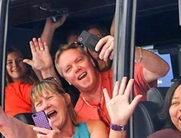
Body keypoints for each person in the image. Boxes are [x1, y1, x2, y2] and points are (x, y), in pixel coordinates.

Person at [28, 30, 169, 126]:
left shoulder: (121, 75)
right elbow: (48, 125)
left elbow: (163, 69)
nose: (76, 68)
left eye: (79, 60)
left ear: (92, 61)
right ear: (67, 80)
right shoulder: (77, 113)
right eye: (68, 69)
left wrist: (126, 49)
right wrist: (45, 70)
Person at [4, 47, 38, 115]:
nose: (15, 65)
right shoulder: (6, 91)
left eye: (19, 60)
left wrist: (41, 122)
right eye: (10, 62)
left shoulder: (38, 84)